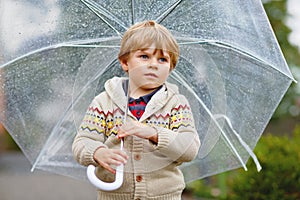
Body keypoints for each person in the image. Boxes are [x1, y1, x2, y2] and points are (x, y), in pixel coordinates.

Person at [72, 20, 200, 200]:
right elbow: (82, 141)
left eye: (162, 59)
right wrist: (98, 152)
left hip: (164, 196)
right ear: (125, 62)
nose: (153, 64)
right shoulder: (103, 103)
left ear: (170, 67)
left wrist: (154, 133)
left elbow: (189, 148)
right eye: (144, 57)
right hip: (115, 195)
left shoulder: (176, 104)